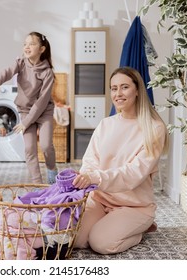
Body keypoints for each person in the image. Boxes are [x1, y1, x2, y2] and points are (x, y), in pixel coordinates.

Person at [72, 67, 169, 254]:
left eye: (124, 87)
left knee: (100, 243)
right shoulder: (106, 124)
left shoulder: (154, 128)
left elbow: (134, 174)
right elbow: (91, 160)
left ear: (138, 90)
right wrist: (85, 177)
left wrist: (96, 178)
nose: (118, 93)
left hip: (134, 206)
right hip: (101, 199)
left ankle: (141, 229)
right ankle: (110, 223)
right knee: (74, 238)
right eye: (114, 88)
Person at [0, 31, 58, 184]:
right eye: (25, 44)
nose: (27, 47)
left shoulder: (47, 73)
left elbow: (42, 102)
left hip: (44, 111)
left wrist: (26, 123)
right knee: (29, 148)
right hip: (25, 111)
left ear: (41, 49)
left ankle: (52, 169)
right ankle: (37, 183)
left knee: (46, 145)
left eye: (32, 44)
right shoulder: (20, 63)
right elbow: (7, 72)